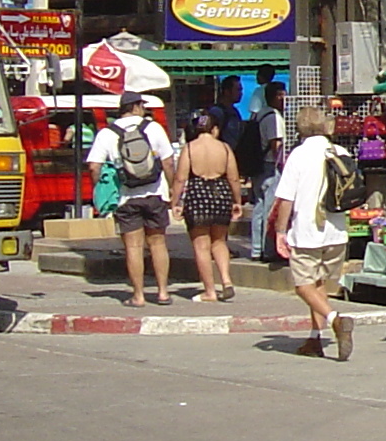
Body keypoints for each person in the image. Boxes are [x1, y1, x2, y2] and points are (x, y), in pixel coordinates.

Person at [266, 104, 355, 361]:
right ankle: (315, 338)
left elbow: (285, 199)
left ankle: (336, 320)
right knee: (320, 286)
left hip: (307, 230)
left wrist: (280, 231)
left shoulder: (299, 155)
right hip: (336, 230)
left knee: (303, 285)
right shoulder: (339, 151)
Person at [87, 94, 178, 307]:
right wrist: (173, 189)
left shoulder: (107, 133)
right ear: (136, 107)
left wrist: (100, 189)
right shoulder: (153, 128)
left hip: (126, 198)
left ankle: (138, 296)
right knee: (158, 243)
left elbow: (93, 166)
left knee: (133, 247)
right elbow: (168, 163)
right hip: (155, 193)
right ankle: (163, 292)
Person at [172, 107, 241, 304]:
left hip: (198, 195)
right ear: (215, 129)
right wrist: (237, 201)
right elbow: (234, 178)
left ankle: (209, 290)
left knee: (201, 244)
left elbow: (180, 178)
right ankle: (226, 281)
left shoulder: (190, 148)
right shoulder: (225, 148)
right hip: (221, 194)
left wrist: (175, 202)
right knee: (219, 241)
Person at [240, 81, 288, 257]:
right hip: (269, 167)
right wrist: (281, 165)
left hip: (257, 166)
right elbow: (276, 144)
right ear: (277, 96)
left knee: (258, 209)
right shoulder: (274, 117)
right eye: (284, 95)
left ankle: (256, 249)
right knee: (269, 208)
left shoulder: (257, 115)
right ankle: (268, 250)